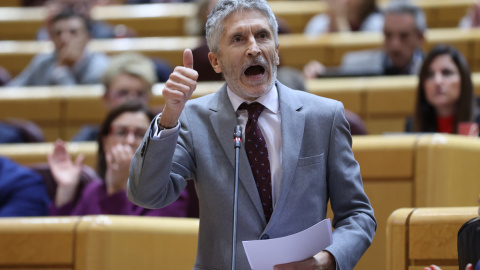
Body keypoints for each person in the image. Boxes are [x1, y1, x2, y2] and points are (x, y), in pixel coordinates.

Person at [128, 0, 376, 269]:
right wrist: (169, 117)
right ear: (215, 61)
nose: (254, 49)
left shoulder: (323, 116)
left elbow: (358, 214)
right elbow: (146, 195)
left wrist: (327, 259)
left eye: (262, 36)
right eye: (238, 39)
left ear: (277, 51)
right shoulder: (190, 119)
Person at [49, 102, 189, 216]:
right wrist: (66, 189)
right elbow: (64, 243)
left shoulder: (168, 193)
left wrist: (116, 188)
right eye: (121, 132)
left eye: (140, 134)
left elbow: (136, 246)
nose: (129, 141)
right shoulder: (92, 191)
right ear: (105, 143)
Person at [303, 2, 426, 78]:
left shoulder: (435, 71)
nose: (395, 45)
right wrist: (321, 73)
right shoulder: (355, 65)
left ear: (420, 38)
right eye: (388, 35)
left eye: (404, 36)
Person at [7, 8, 109, 87]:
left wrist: (61, 71)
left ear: (88, 38)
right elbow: (12, 90)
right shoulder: (43, 62)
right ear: (51, 38)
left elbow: (78, 109)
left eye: (73, 32)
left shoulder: (100, 68)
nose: (64, 38)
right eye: (58, 33)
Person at [72, 52, 157, 141]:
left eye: (140, 94)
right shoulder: (87, 138)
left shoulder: (161, 140)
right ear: (106, 98)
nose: (132, 100)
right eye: (123, 93)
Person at [405, 45, 480, 134]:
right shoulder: (413, 125)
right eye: (430, 75)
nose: (437, 81)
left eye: (446, 73)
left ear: (463, 80)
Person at [304, 0, 383, 35]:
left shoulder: (376, 23)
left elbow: (352, 60)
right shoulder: (318, 23)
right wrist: (333, 24)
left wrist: (340, 20)